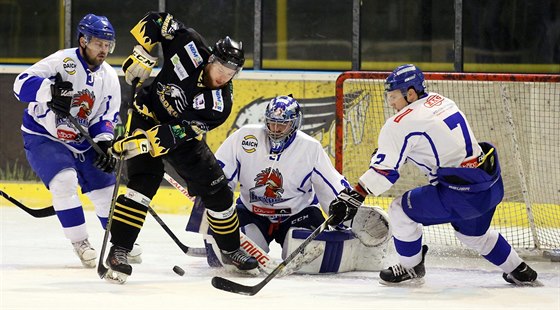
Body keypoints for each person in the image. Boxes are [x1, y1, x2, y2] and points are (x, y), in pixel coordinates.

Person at [327, 64, 539, 286]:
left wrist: (355, 195)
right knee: (473, 236)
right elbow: (433, 144)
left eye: (394, 96)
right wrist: (399, 155)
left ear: (410, 93)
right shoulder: (441, 101)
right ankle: (520, 269)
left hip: (461, 194)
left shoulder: (399, 123)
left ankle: (411, 267)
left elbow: (385, 173)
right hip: (489, 185)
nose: (391, 103)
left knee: (399, 210)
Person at [105, 11, 251, 283]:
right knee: (142, 184)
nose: (224, 77)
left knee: (218, 189)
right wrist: (143, 52)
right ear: (212, 59)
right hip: (145, 115)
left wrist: (145, 142)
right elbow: (156, 21)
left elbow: (178, 133)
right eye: (222, 69)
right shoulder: (189, 44)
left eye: (232, 73)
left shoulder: (220, 104)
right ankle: (120, 250)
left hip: (179, 137)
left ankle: (231, 250)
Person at [193, 95, 390, 275]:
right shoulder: (245, 137)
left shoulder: (309, 147)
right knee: (229, 259)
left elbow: (331, 184)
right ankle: (216, 244)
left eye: (282, 124)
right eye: (271, 123)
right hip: (251, 212)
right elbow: (219, 172)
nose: (275, 130)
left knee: (311, 256)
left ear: (295, 123)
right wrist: (212, 196)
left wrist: (345, 215)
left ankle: (355, 251)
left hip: (298, 214)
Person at [12, 14, 122, 268]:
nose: (104, 50)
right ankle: (80, 242)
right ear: (83, 41)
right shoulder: (63, 60)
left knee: (106, 191)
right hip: (44, 135)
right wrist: (48, 91)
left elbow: (106, 114)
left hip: (82, 139)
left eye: (108, 45)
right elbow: (20, 85)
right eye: (98, 43)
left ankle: (119, 243)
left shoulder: (109, 77)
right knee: (64, 181)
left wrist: (105, 143)